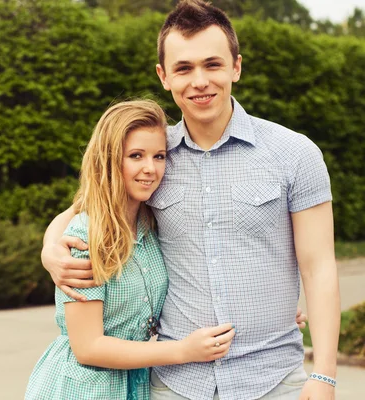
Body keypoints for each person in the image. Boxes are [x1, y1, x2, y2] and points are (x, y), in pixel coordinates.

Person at [41, 1, 340, 399]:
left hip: (273, 380)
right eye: (184, 68)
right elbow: (90, 203)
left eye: (212, 65)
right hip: (175, 384)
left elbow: (319, 268)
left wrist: (324, 375)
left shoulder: (294, 154)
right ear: (164, 77)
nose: (199, 81)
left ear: (235, 67)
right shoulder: (153, 156)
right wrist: (49, 248)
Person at [25, 100, 237, 400]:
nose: (150, 169)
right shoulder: (87, 234)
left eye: (159, 156)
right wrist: (183, 351)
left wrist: (250, 311)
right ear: (110, 160)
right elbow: (88, 348)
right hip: (81, 389)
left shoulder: (151, 222)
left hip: (135, 383)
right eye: (135, 156)